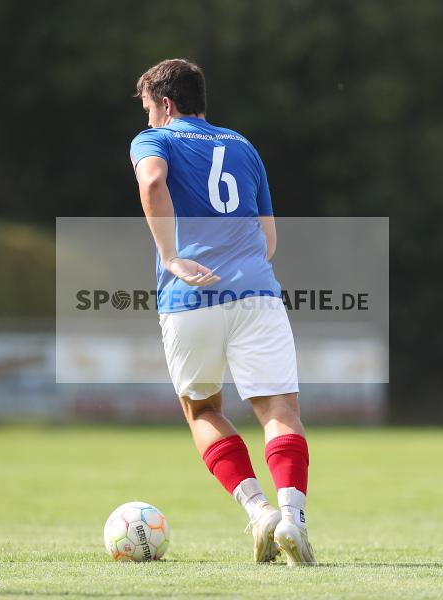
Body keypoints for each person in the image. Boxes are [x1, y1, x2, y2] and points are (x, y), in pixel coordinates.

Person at [129, 58, 315, 565]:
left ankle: (259, 512)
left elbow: (151, 184)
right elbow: (268, 239)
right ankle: (293, 517)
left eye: (148, 109)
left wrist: (171, 256)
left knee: (204, 410)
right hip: (257, 294)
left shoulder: (155, 140)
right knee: (279, 408)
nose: (147, 120)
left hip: (190, 299)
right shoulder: (243, 146)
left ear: (165, 105)